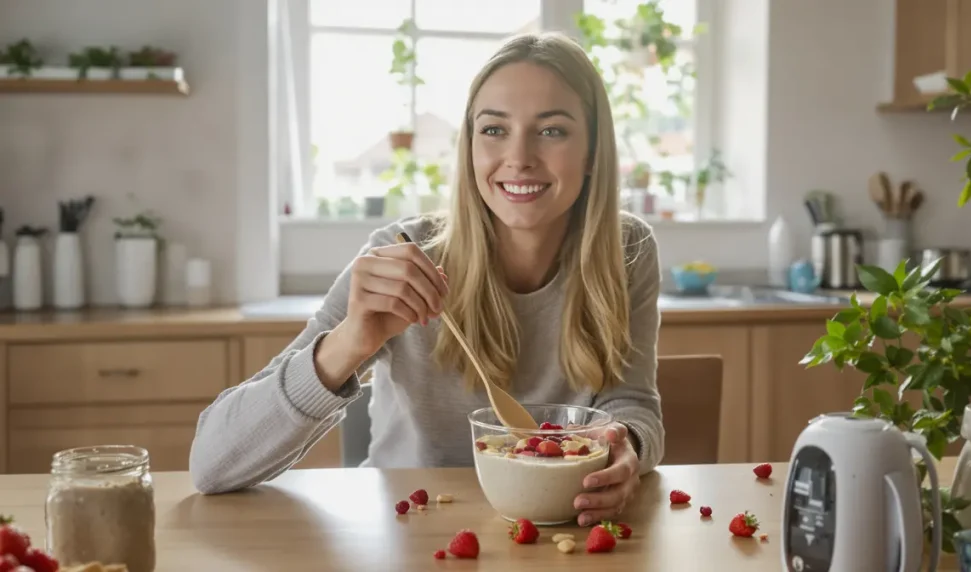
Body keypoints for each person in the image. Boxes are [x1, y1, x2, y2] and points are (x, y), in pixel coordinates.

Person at [189, 31, 665, 527]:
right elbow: (212, 464)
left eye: (551, 131)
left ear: (592, 153)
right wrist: (349, 342)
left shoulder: (627, 251)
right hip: (408, 532)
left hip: (564, 534)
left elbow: (629, 403)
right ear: (469, 148)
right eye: (494, 130)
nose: (519, 157)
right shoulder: (402, 255)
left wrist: (625, 444)